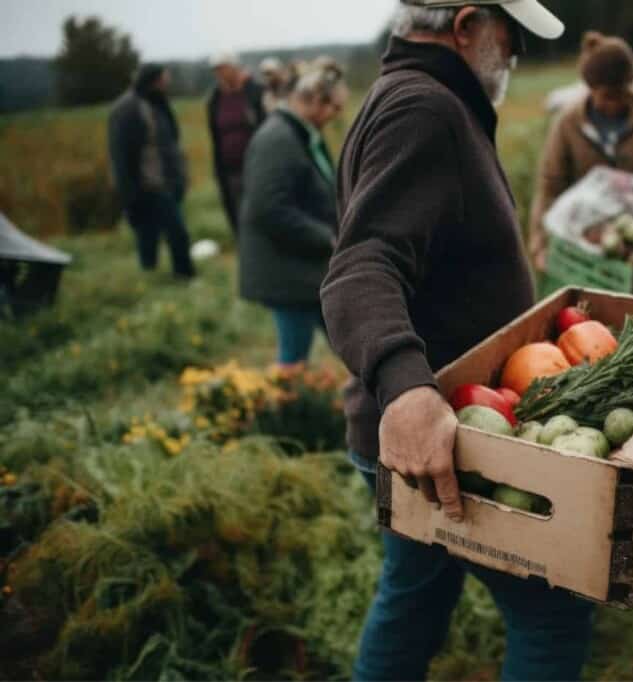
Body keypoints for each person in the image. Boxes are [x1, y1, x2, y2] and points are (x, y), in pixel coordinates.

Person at [320, 1, 597, 679]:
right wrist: (408, 388)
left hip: (438, 435)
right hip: (441, 437)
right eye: (511, 34)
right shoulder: (426, 109)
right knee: (553, 614)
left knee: (415, 596)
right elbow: (361, 266)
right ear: (468, 24)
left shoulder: (417, 95)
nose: (518, 54)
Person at [528, 31, 633, 271]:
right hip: (582, 240)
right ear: (590, 88)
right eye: (606, 96)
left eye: (620, 95)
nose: (614, 104)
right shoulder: (568, 123)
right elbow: (550, 184)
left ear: (630, 86)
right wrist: (540, 244)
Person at [238, 64, 347, 368]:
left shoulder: (301, 134)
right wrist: (327, 237)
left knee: (344, 344)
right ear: (313, 100)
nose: (336, 115)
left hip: (304, 268)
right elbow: (269, 208)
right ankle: (285, 411)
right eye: (333, 107)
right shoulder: (277, 140)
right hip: (287, 273)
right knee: (293, 356)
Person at [108, 63, 195, 279]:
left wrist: (180, 176)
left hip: (167, 181)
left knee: (151, 233)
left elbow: (171, 141)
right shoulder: (127, 109)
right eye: (164, 79)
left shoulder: (157, 103)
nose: (167, 83)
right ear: (153, 80)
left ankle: (152, 273)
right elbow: (120, 155)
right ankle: (182, 276)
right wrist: (129, 193)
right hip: (148, 184)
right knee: (175, 233)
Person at [207, 52, 266, 235]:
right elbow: (215, 136)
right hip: (231, 170)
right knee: (239, 218)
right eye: (216, 70)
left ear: (234, 68)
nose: (220, 74)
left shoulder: (255, 93)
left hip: (257, 167)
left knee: (262, 215)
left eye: (223, 69)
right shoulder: (215, 99)